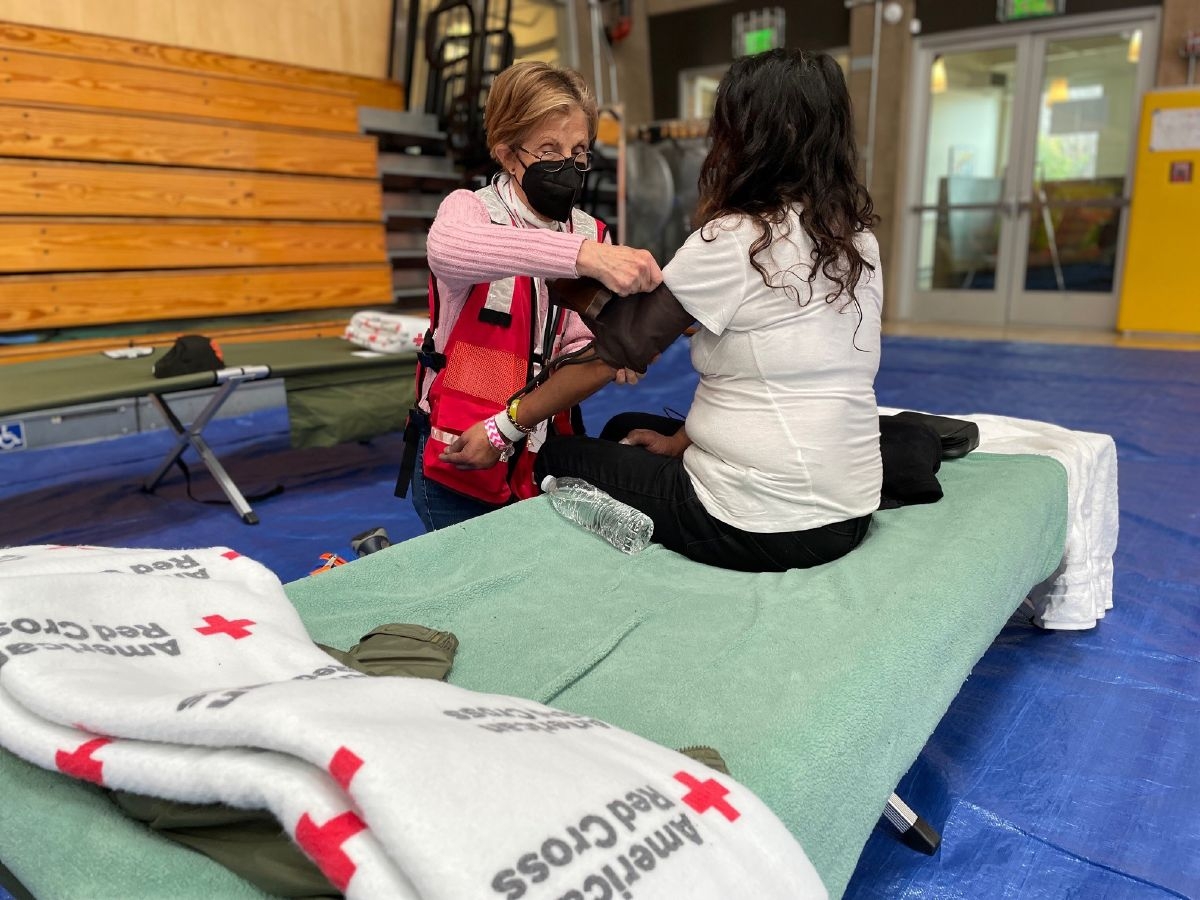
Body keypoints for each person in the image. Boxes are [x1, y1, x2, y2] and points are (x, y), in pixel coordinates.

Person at [533, 49, 884, 572]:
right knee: (629, 425)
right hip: (849, 506)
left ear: (744, 137)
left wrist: (508, 426)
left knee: (558, 455)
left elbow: (617, 351)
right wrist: (678, 443)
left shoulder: (735, 238)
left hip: (762, 523)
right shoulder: (856, 240)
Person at [398, 60, 661, 531]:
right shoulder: (469, 212)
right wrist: (584, 257)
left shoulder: (589, 231)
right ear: (506, 153)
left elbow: (580, 340)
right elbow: (449, 250)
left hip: (540, 449)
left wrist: (610, 351)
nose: (568, 165)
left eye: (579, 151)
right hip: (459, 456)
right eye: (549, 149)